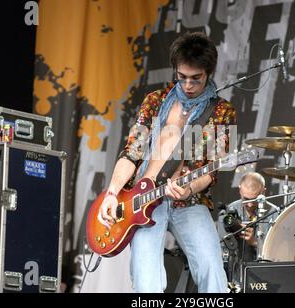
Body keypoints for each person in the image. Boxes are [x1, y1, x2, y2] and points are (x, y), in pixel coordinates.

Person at [98, 32, 237, 293]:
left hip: (189, 201)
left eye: (196, 79)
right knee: (145, 279)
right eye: (181, 77)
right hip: (142, 200)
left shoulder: (222, 111)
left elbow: (211, 170)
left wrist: (189, 187)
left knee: (212, 272)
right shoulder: (155, 101)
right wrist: (112, 192)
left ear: (208, 72)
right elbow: (132, 152)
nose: (187, 85)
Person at [218, 172, 275, 286]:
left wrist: (254, 242)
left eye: (254, 199)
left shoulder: (274, 213)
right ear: (240, 190)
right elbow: (221, 251)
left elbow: (276, 254)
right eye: (246, 198)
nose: (249, 205)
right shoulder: (229, 212)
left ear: (264, 192)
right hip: (235, 275)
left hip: (264, 276)